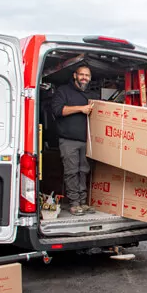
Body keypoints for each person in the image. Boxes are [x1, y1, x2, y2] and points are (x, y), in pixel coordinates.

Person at [50, 65, 100, 216]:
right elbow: (58, 110)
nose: (84, 77)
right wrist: (81, 108)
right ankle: (74, 204)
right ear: (75, 75)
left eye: (87, 75)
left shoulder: (92, 95)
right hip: (68, 141)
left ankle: (83, 203)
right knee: (71, 172)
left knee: (83, 171)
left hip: (86, 141)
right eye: (82, 75)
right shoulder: (63, 91)